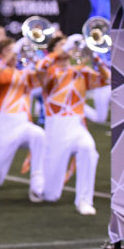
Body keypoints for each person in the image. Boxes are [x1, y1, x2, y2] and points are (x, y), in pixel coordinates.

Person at [35, 34, 109, 215]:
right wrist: (61, 51)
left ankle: (84, 200)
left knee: (88, 149)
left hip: (76, 125)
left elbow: (107, 79)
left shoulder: (81, 72)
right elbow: (40, 67)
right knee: (50, 194)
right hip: (56, 128)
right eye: (61, 44)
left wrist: (95, 56)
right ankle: (39, 185)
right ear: (54, 50)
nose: (68, 47)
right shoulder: (50, 72)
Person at [0, 38, 45, 200]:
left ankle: (37, 183)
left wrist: (35, 58)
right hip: (5, 128)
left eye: (14, 49)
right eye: (8, 50)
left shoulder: (23, 72)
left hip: (23, 124)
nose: (14, 52)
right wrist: (12, 54)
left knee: (39, 135)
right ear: (1, 54)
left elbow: (43, 79)